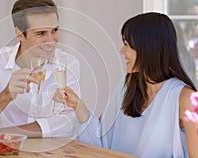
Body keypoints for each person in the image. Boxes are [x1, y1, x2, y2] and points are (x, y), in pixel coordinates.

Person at [54, 12, 198, 157]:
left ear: (147, 48)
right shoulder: (127, 87)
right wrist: (78, 105)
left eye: (126, 45)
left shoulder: (185, 99)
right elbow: (99, 140)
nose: (122, 51)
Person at [0, 0, 80, 138]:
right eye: (41, 33)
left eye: (54, 30)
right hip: (2, 152)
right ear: (20, 34)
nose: (51, 40)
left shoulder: (68, 63)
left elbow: (70, 121)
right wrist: (5, 96)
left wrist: (13, 132)